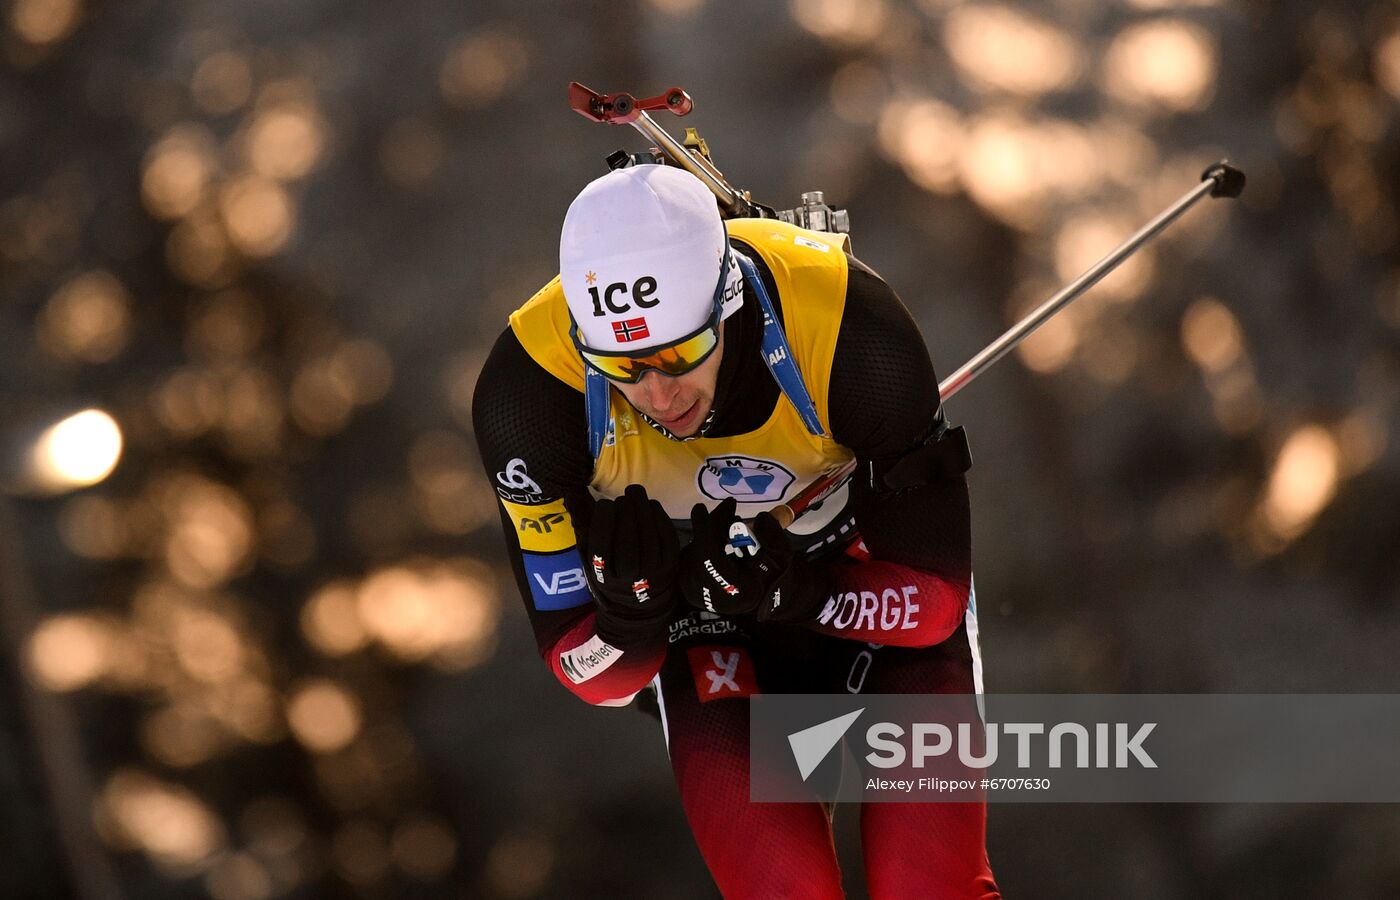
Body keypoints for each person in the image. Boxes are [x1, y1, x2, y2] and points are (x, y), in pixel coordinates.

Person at [472, 163, 999, 898]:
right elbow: (586, 672)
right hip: (706, 631)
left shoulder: (849, 324)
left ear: (727, 304)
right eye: (620, 366)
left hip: (863, 586)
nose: (657, 394)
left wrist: (801, 593)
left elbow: (935, 603)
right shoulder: (529, 394)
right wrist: (631, 616)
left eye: (679, 354)